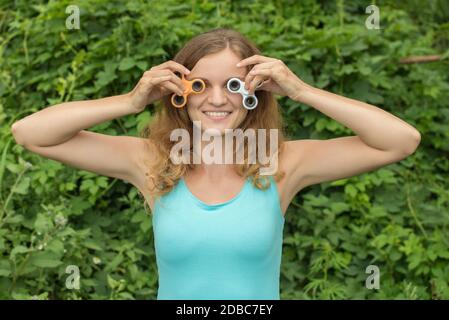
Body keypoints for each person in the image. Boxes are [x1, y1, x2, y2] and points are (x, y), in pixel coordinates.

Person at [10, 28, 421, 300]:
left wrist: (301, 90)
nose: (218, 99)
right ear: (179, 92)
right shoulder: (153, 162)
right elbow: (31, 133)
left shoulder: (281, 163)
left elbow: (400, 141)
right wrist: (130, 101)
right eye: (201, 85)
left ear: (255, 94)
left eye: (234, 85)